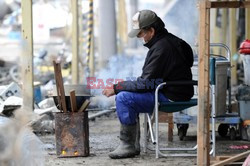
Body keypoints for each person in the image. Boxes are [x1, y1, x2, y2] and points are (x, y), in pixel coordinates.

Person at [102, 9, 194, 159]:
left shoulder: (161, 48)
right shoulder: (171, 41)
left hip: (171, 96)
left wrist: (116, 87)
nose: (140, 38)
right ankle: (132, 144)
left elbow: (145, 84)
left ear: (151, 30)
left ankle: (128, 145)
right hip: (179, 91)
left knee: (124, 98)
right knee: (127, 94)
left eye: (140, 34)